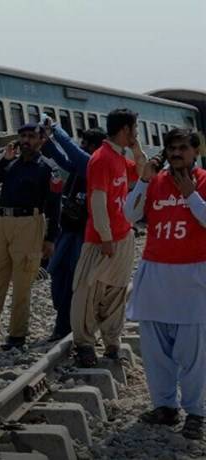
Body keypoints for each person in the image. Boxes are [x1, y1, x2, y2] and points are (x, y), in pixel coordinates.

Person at [124, 128, 205, 440]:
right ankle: (165, 407)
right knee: (156, 350)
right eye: (171, 148)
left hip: (193, 279)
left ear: (195, 152)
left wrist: (190, 196)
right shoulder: (155, 182)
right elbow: (129, 215)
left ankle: (196, 412)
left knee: (193, 352)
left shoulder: (204, 181)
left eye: (183, 148)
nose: (176, 154)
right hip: (156, 275)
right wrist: (143, 180)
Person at [0, 122, 62, 351]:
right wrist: (5, 159)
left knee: (22, 283)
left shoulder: (47, 169)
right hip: (4, 223)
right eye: (23, 136)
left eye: (31, 137)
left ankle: (17, 335)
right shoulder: (11, 165)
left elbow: (55, 207)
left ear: (41, 140)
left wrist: (51, 238)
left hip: (29, 223)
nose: (26, 140)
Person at [69, 109, 146, 367]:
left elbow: (144, 173)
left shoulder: (119, 157)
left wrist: (137, 149)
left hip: (123, 235)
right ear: (125, 129)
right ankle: (85, 345)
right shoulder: (101, 158)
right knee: (88, 290)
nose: (136, 133)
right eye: (134, 129)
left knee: (116, 291)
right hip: (103, 238)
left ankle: (112, 342)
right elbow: (98, 200)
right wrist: (105, 236)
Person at [39, 115, 107, 341]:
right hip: (67, 230)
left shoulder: (93, 166)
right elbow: (64, 160)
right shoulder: (80, 169)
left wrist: (56, 130)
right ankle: (64, 322)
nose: (82, 147)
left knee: (73, 280)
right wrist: (46, 142)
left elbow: (74, 156)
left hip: (82, 234)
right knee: (58, 275)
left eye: (87, 144)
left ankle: (66, 327)